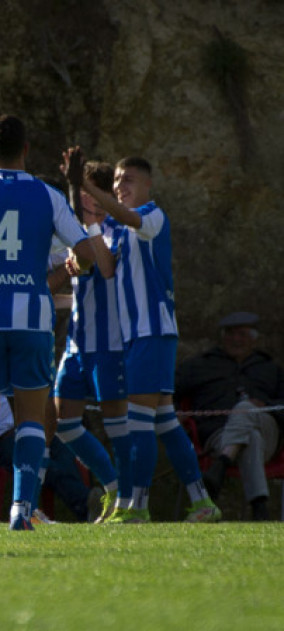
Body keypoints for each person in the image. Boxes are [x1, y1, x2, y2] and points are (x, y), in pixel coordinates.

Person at [0, 114, 103, 530]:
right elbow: (85, 250)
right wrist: (72, 265)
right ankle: (21, 510)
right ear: (26, 150)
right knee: (32, 416)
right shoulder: (47, 196)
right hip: (32, 317)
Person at [82, 155, 221, 523]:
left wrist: (90, 190)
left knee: (138, 422)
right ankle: (202, 502)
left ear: (148, 186)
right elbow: (107, 270)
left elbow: (132, 219)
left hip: (153, 331)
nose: (119, 186)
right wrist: (91, 224)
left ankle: (137, 508)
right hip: (138, 336)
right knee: (165, 422)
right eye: (115, 180)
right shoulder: (116, 225)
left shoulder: (153, 216)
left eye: (127, 180)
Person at [54, 154, 129, 523]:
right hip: (76, 344)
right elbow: (70, 276)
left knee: (118, 426)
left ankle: (130, 501)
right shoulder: (73, 234)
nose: (82, 203)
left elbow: (104, 269)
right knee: (63, 422)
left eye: (86, 195)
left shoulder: (116, 229)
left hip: (110, 345)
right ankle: (114, 487)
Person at [176, 311, 284, 520]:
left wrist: (266, 405)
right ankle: (259, 508)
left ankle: (221, 465)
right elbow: (168, 391)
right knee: (251, 438)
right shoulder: (199, 366)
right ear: (223, 337)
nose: (236, 339)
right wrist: (175, 413)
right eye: (231, 334)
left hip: (268, 432)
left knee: (246, 409)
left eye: (242, 334)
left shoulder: (270, 370)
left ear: (253, 339)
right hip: (217, 435)